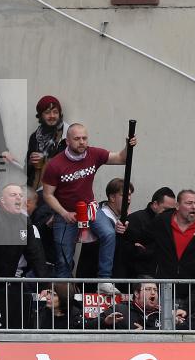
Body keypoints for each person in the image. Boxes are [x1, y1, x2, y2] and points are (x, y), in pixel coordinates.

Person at [40, 123, 137, 293]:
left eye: (84, 138)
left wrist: (128, 145)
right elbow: (48, 195)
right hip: (66, 213)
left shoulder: (94, 154)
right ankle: (63, 293)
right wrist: (63, 213)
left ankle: (104, 281)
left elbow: (121, 158)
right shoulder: (55, 164)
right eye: (77, 138)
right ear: (67, 141)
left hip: (90, 208)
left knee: (108, 234)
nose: (82, 142)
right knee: (64, 257)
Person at [144, 189, 195, 309]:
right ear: (177, 206)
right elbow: (144, 241)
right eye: (189, 203)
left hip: (191, 294)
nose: (194, 207)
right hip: (162, 290)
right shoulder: (162, 222)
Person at [0, 184, 52, 328]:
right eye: (13, 195)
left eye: (20, 195)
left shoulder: (26, 224)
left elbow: (36, 255)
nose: (18, 198)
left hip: (12, 280)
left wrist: (45, 285)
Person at [123, 186, 177, 277]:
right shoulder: (136, 219)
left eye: (172, 211)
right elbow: (126, 249)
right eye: (166, 210)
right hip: (139, 276)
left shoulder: (171, 224)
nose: (169, 214)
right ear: (155, 204)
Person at [101, 279, 187, 330]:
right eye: (148, 289)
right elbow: (92, 325)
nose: (153, 293)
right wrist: (105, 322)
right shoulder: (120, 309)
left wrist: (175, 324)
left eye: (155, 290)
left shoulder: (164, 314)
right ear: (137, 294)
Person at [26, 96, 68, 189]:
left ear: (60, 114)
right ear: (40, 115)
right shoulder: (35, 137)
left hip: (56, 190)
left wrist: (46, 160)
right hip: (34, 189)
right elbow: (26, 171)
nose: (52, 116)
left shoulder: (67, 135)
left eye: (55, 112)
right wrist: (31, 162)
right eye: (47, 112)